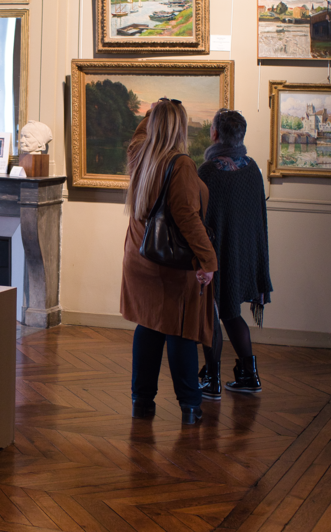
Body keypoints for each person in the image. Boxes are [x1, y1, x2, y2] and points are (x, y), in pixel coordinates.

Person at [120, 99, 218, 425]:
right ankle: (190, 406)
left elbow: (139, 134)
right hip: (170, 263)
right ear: (181, 127)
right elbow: (188, 219)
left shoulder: (139, 154)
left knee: (149, 325)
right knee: (180, 329)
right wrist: (208, 261)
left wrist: (153, 111)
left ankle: (141, 402)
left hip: (139, 257)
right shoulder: (182, 164)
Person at [197, 109, 273, 399]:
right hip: (243, 253)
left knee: (210, 315)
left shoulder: (207, 171)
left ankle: (212, 380)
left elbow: (198, 219)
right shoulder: (252, 168)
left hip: (215, 256)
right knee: (231, 313)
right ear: (240, 135)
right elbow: (257, 219)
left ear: (215, 134)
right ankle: (248, 375)